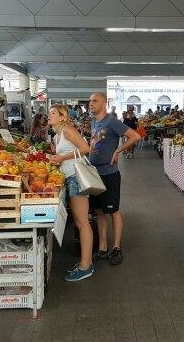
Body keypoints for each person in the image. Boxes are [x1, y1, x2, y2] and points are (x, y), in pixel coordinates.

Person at [88, 92, 141, 266]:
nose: (91, 103)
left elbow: (135, 136)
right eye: (90, 101)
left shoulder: (112, 121)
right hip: (94, 174)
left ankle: (116, 248)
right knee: (99, 212)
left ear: (104, 104)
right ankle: (103, 248)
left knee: (113, 211)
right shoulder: (94, 122)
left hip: (109, 174)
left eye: (94, 101)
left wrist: (119, 151)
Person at [45, 105, 93, 282]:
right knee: (80, 222)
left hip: (76, 178)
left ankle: (86, 266)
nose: (49, 115)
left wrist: (62, 158)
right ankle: (85, 262)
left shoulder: (67, 130)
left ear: (62, 117)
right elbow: (64, 155)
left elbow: (86, 148)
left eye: (53, 113)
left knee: (82, 222)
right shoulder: (57, 136)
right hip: (68, 179)